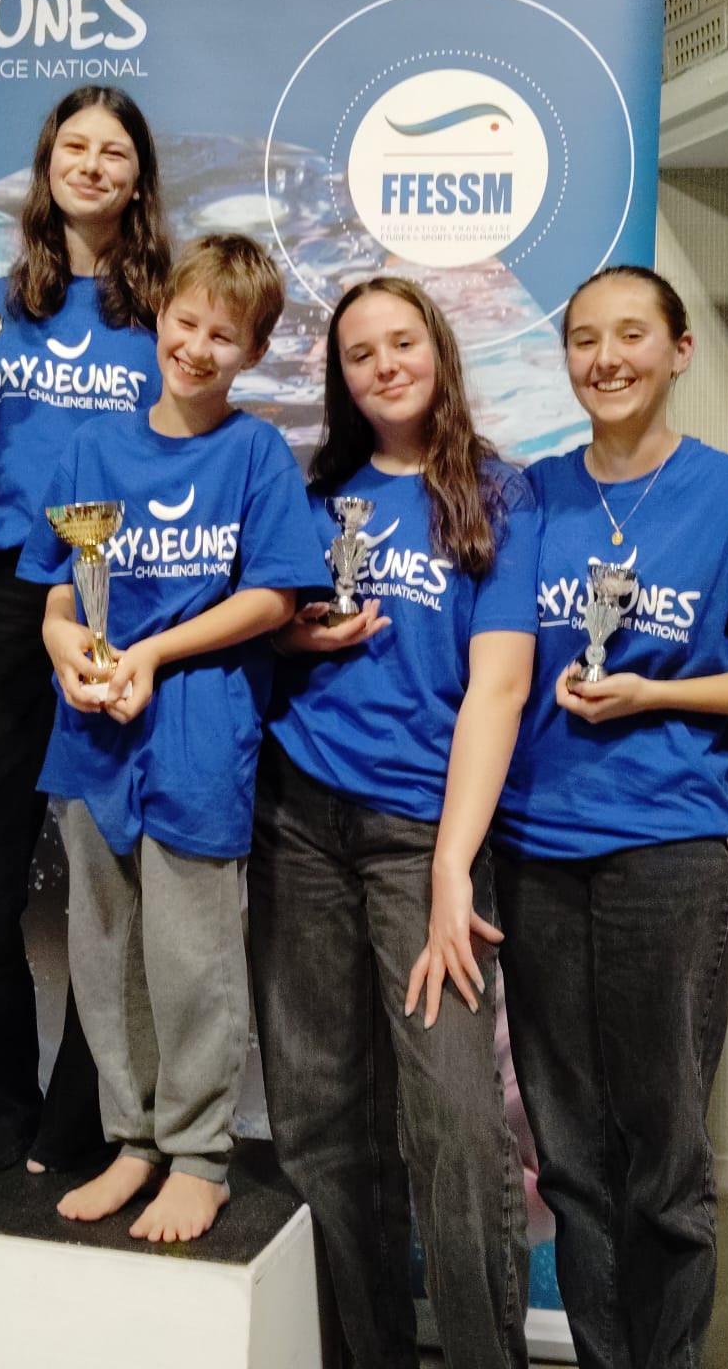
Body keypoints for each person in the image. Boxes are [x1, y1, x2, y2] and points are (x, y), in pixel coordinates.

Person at [492, 265, 728, 1369]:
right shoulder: (532, 497)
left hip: (666, 853)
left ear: (679, 351)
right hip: (536, 856)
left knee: (666, 1159)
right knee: (571, 1159)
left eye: (631, 335)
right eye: (585, 339)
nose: (607, 359)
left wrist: (659, 695)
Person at [20, 234, 327, 1243]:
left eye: (223, 336)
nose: (197, 347)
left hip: (199, 722)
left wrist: (153, 652)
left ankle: (199, 1155)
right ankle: (133, 1140)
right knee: (104, 950)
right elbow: (59, 594)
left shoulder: (254, 455)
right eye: (186, 323)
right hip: (93, 726)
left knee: (192, 955)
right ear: (160, 317)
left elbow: (274, 597)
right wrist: (66, 645)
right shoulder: (90, 449)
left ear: (254, 351)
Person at [252, 277, 535, 1369]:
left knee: (457, 1120)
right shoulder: (314, 494)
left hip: (424, 836)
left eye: (402, 342)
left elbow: (500, 687)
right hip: (299, 821)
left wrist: (454, 867)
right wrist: (296, 640)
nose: (385, 365)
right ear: (341, 376)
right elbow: (268, 626)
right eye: (360, 352)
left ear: (438, 349)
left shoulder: (501, 495)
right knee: (321, 1121)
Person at [0, 87, 170, 1174]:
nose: (93, 164)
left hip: (134, 603)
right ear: (47, 163)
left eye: (115, 150)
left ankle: (86, 1131)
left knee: (127, 881)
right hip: (7, 597)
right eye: (76, 145)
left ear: (139, 177)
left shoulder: (168, 312)